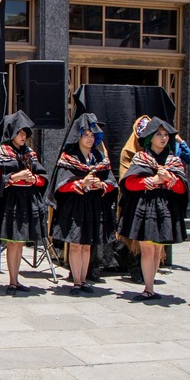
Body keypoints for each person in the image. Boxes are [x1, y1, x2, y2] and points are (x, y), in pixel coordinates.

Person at [46, 113, 117, 295]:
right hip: (75, 204)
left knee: (87, 243)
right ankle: (76, 281)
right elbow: (60, 185)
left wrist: (101, 185)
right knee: (76, 243)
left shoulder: (100, 158)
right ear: (78, 136)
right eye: (86, 134)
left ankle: (84, 280)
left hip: (93, 203)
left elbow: (111, 182)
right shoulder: (69, 157)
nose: (90, 138)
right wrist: (80, 183)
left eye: (92, 135)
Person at [117, 117, 188, 301]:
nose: (163, 138)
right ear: (150, 137)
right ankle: (148, 288)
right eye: (159, 134)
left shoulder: (173, 160)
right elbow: (129, 184)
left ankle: (151, 284)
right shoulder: (141, 158)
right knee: (147, 248)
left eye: (165, 135)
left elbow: (182, 187)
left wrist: (170, 180)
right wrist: (154, 180)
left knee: (157, 249)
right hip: (145, 206)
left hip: (164, 207)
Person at [0, 110, 48, 295]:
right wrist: (15, 177)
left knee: (21, 240)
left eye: (25, 133)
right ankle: (12, 280)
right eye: (19, 132)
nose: (23, 136)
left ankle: (17, 280)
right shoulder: (2, 153)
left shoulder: (30, 154)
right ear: (11, 133)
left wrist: (33, 179)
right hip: (11, 200)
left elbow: (42, 175)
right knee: (12, 241)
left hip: (27, 198)